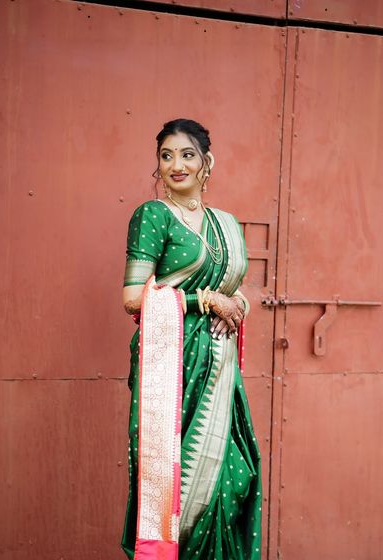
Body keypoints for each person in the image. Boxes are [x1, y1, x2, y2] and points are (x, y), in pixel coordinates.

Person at [121, 118, 262, 560]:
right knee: (171, 489)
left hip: (218, 369)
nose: (176, 165)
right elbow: (132, 297)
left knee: (234, 480)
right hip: (170, 369)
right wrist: (205, 300)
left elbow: (234, 289)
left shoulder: (226, 223)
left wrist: (236, 303)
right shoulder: (153, 216)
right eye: (166, 156)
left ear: (207, 162)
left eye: (187, 155)